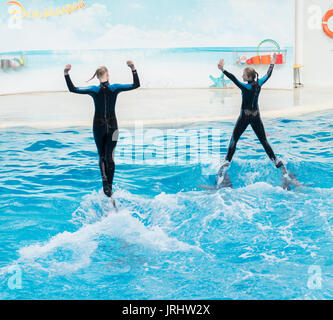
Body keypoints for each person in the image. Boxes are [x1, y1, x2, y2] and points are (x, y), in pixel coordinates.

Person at [64, 61, 140, 198]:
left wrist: (66, 73)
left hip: (98, 126)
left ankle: (105, 183)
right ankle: (109, 187)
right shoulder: (115, 88)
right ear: (107, 75)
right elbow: (136, 85)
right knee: (110, 156)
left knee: (102, 155)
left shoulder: (94, 90)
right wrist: (133, 69)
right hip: (113, 126)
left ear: (97, 77)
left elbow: (73, 89)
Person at [217, 53, 286, 185]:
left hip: (245, 116)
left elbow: (233, 78)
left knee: (234, 139)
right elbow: (268, 74)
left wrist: (222, 69)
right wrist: (272, 62)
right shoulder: (259, 83)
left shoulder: (245, 86)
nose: (242, 76)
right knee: (263, 140)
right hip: (256, 116)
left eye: (244, 75)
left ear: (248, 77)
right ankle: (276, 160)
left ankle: (226, 162)